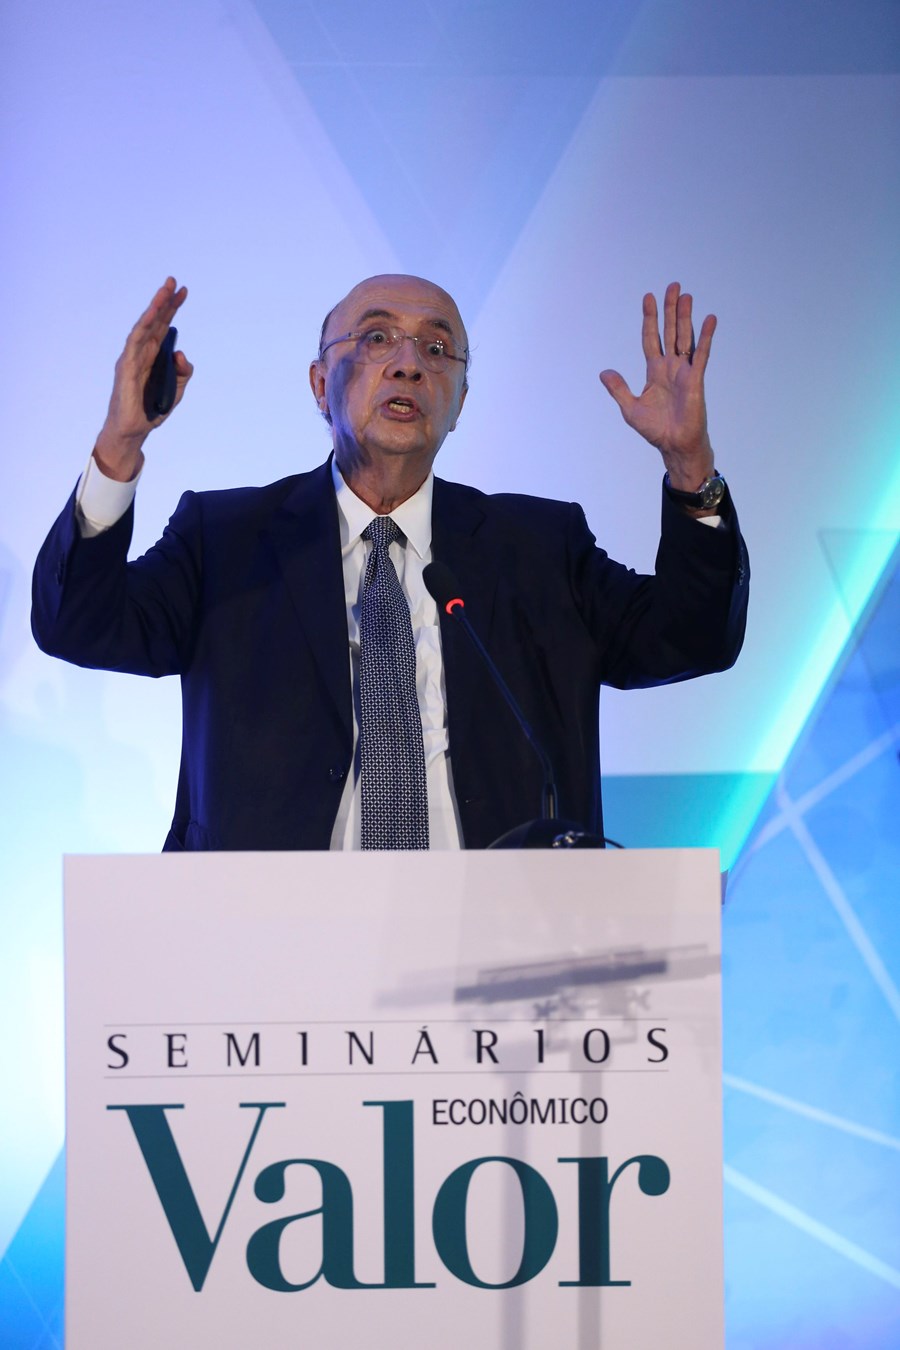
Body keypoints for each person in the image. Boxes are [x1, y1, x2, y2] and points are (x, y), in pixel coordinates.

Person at [32, 274, 748, 851]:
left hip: (502, 943)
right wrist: (119, 444)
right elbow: (79, 624)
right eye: (377, 338)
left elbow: (692, 638)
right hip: (266, 943)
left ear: (459, 402)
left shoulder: (539, 547)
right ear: (320, 384)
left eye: (437, 349)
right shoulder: (226, 540)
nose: (409, 363)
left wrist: (690, 466)